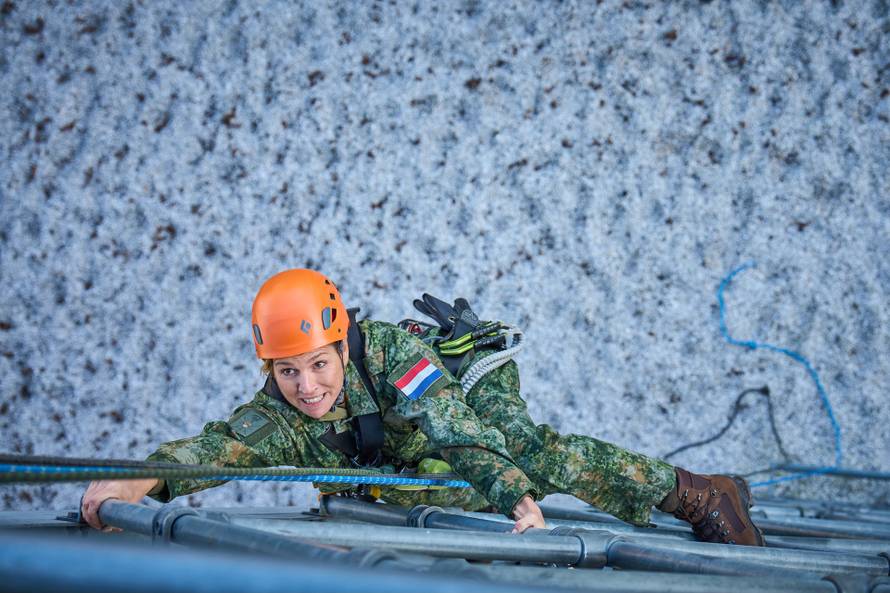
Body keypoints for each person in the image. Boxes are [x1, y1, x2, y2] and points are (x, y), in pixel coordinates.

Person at [81, 269, 764, 545]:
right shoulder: (283, 418)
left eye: (319, 364)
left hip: (464, 384)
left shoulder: (380, 351)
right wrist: (137, 480)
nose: (308, 386)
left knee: (519, 452)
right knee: (450, 493)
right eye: (287, 372)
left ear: (341, 345)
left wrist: (511, 492)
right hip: (411, 452)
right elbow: (211, 450)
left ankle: (699, 495)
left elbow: (448, 417)